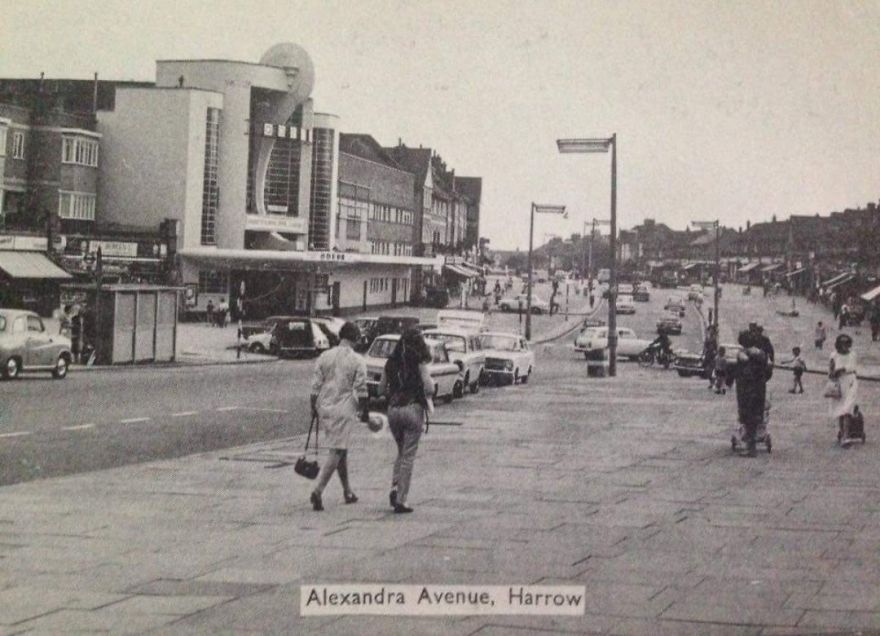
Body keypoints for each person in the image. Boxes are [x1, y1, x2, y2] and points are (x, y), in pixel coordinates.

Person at [308, 322, 369, 511]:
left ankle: (347, 491)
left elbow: (315, 386)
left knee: (341, 449)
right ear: (355, 338)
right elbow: (362, 389)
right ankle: (318, 491)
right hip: (344, 407)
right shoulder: (357, 360)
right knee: (337, 450)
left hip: (324, 406)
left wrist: (313, 408)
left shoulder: (324, 356)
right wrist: (365, 411)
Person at [379, 329, 434, 514]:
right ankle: (401, 499)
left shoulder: (390, 362)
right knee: (408, 455)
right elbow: (429, 387)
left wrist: (394, 393)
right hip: (412, 409)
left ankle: (395, 487)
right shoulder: (418, 363)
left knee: (401, 451)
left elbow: (380, 390)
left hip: (393, 410)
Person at [729, 328, 772, 457]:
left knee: (748, 418)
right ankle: (751, 445)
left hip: (746, 390)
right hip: (759, 389)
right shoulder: (762, 354)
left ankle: (751, 447)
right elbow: (768, 372)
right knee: (755, 417)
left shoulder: (743, 355)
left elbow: (738, 371)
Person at [827, 333, 858, 446]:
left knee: (847, 409)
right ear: (838, 345)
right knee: (840, 410)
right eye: (842, 344)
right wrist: (833, 372)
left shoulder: (853, 354)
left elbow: (853, 367)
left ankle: (846, 436)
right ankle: (842, 432)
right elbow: (830, 371)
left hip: (850, 383)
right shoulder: (833, 355)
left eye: (846, 344)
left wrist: (842, 369)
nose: (845, 346)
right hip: (839, 384)